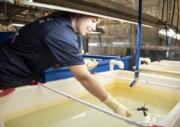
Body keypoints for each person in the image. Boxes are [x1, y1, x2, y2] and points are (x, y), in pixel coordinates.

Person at [0, 11, 131, 117]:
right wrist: (114, 105)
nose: (94, 27)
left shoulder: (58, 24)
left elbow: (55, 61)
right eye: (93, 20)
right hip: (7, 73)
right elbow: (84, 77)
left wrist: (81, 64)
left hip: (15, 69)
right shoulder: (62, 32)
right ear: (79, 13)